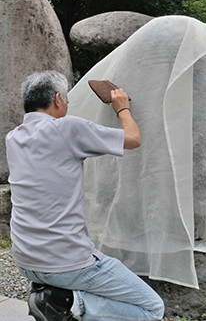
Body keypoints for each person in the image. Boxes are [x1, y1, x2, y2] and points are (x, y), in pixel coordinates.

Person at [5, 70, 164, 321]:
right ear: (58, 99)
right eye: (67, 99)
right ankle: (66, 303)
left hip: (26, 259)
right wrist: (122, 108)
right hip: (65, 262)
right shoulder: (67, 128)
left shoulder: (13, 138)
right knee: (152, 308)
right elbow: (133, 139)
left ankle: (56, 296)